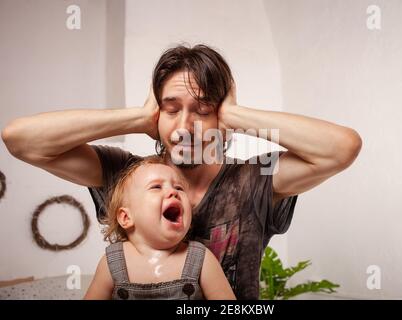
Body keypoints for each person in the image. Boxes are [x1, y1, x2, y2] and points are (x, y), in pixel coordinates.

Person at [1, 44, 362, 299]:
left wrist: (235, 116)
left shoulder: (257, 179)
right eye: (170, 109)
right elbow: (20, 140)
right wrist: (138, 118)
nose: (185, 126)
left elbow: (341, 148)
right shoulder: (127, 176)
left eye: (202, 109)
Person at [84, 156, 235, 300]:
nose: (173, 192)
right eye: (156, 187)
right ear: (126, 217)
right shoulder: (113, 262)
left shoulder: (201, 259)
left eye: (179, 188)